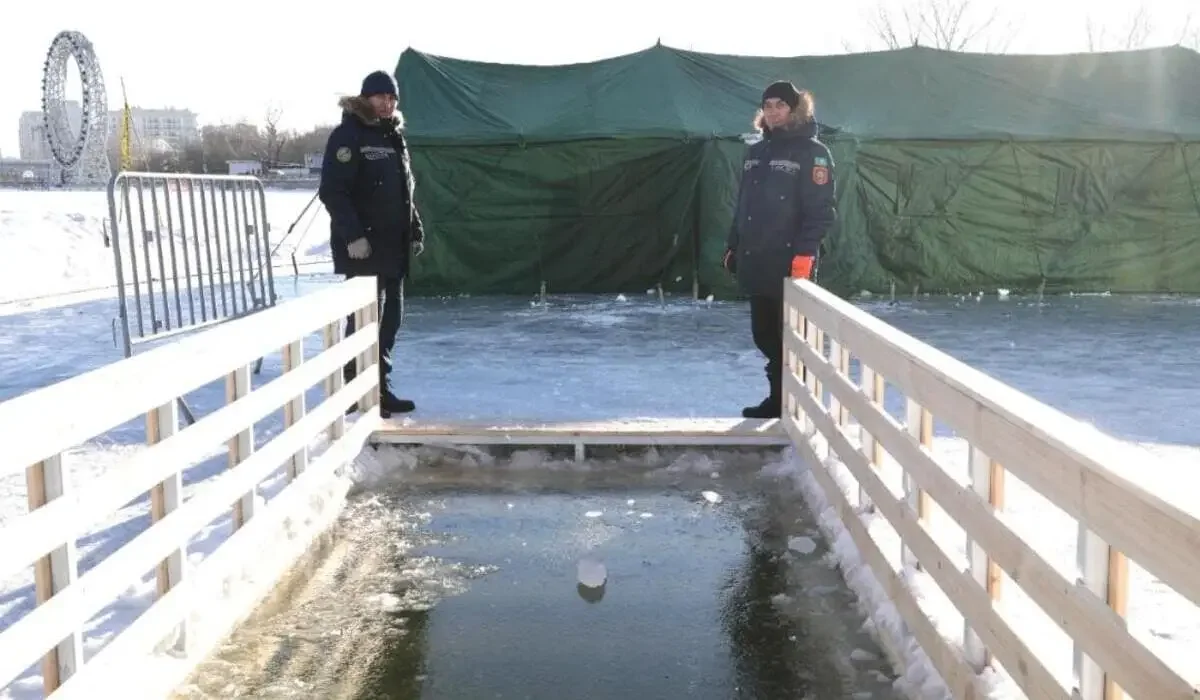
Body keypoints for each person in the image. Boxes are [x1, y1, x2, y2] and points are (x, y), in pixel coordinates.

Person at [723, 81, 837, 419]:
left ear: (795, 109)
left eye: (780, 105)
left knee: (794, 336)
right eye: (768, 105)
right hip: (757, 258)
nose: (773, 112)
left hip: (791, 260)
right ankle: (779, 399)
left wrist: (805, 253)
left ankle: (799, 404)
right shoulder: (756, 153)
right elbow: (744, 205)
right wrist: (734, 245)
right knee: (766, 335)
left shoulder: (813, 152)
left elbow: (821, 210)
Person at [318, 70, 426, 417]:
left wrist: (415, 227)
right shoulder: (348, 136)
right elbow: (333, 191)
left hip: (393, 245)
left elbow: (403, 189)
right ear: (366, 98)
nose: (387, 103)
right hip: (364, 247)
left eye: (392, 98)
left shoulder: (393, 136)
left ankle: (380, 386)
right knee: (366, 319)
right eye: (381, 97)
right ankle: (356, 387)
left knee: (391, 317)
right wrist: (354, 236)